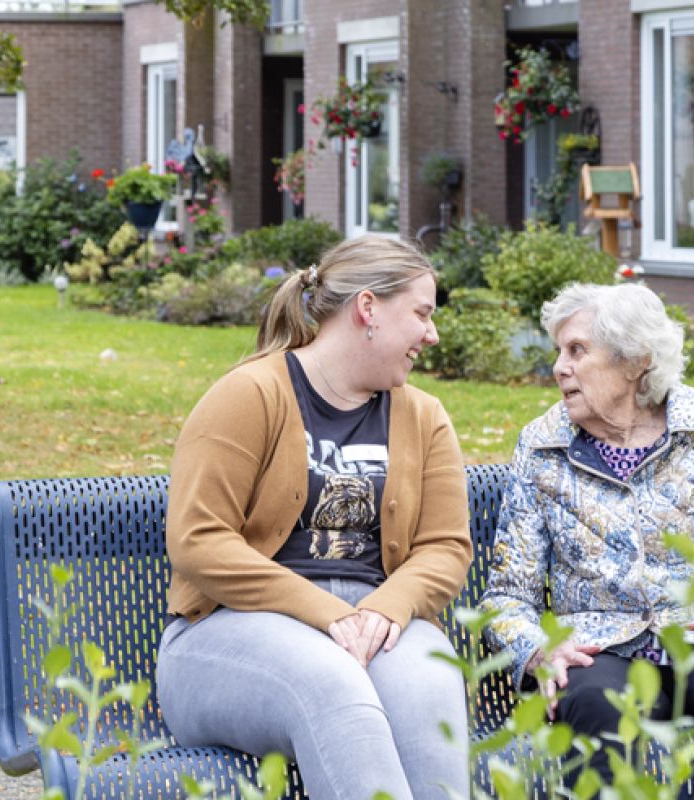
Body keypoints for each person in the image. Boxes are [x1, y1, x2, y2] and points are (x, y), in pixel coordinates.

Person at [480, 282, 694, 799]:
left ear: (635, 361)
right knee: (594, 704)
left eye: (577, 350)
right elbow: (506, 595)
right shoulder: (542, 448)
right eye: (559, 351)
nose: (559, 367)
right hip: (598, 646)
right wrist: (534, 649)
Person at [156, 236, 471, 800]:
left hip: (375, 623)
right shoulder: (249, 394)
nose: (433, 333)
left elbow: (445, 547)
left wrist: (386, 608)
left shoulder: (423, 416)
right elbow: (198, 540)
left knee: (431, 686)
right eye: (422, 313)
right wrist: (328, 614)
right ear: (368, 309)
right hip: (227, 635)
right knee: (332, 684)